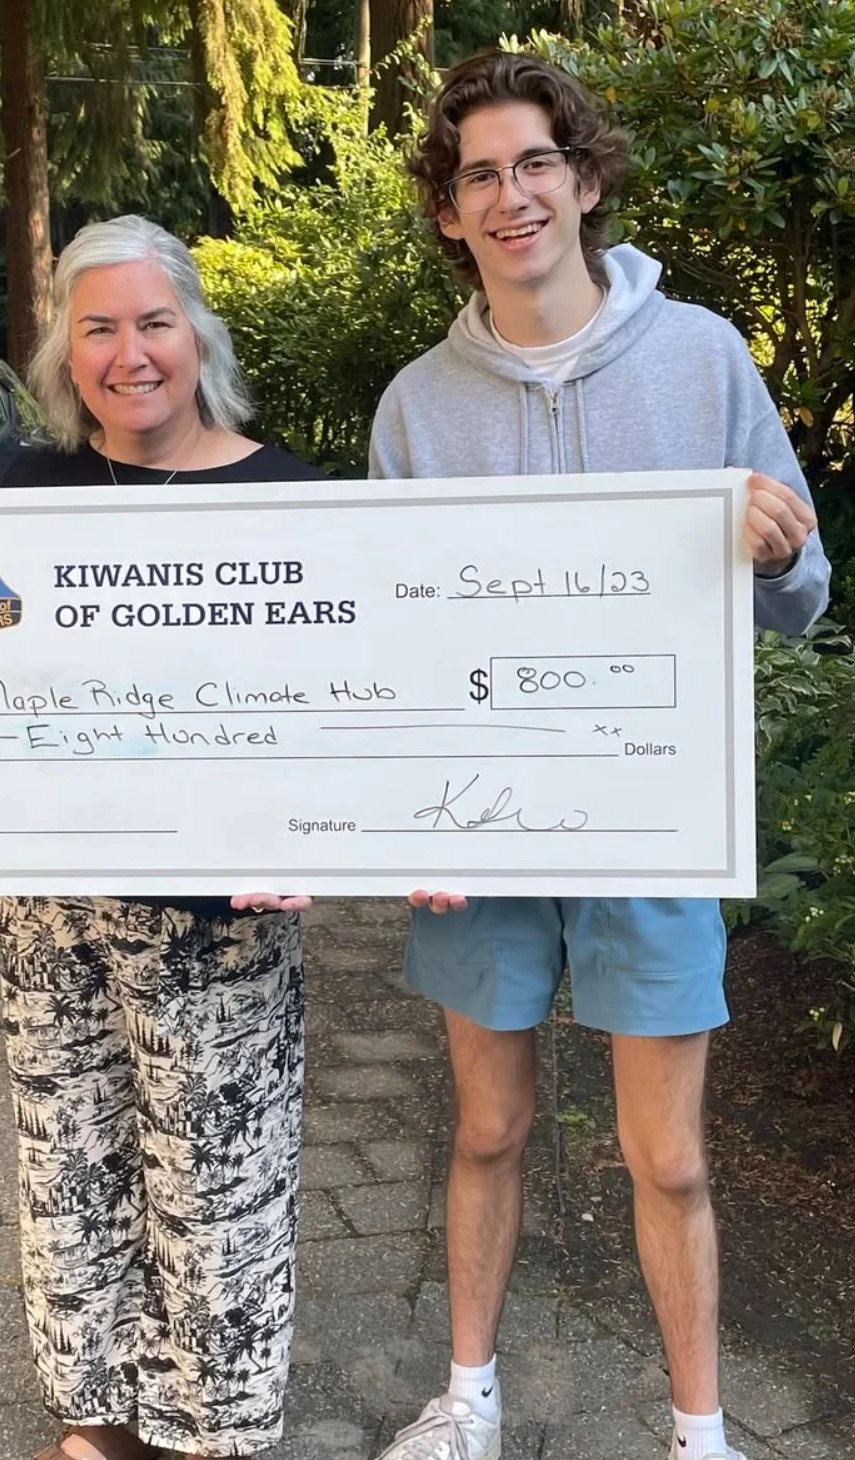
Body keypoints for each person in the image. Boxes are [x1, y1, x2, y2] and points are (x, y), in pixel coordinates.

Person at [367, 51, 829, 1460]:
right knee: (489, 1131)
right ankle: (470, 1401)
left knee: (670, 1153)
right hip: (484, 823)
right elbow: (390, 639)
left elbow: (800, 606)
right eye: (477, 177)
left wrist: (779, 549)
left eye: (532, 165)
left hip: (650, 814)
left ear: (582, 178)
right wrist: (404, 827)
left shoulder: (699, 359)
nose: (510, 198)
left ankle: (700, 1432)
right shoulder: (413, 407)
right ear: (449, 214)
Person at [0, 214, 323, 1460]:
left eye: (153, 322)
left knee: (215, 1189)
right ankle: (98, 1424)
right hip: (51, 906)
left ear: (196, 334)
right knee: (70, 1170)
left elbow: (334, 705)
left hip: (222, 924)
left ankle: (212, 1433)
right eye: (99, 327)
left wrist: (326, 836)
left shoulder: (291, 495)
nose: (129, 352)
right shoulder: (14, 495)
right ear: (64, 351)